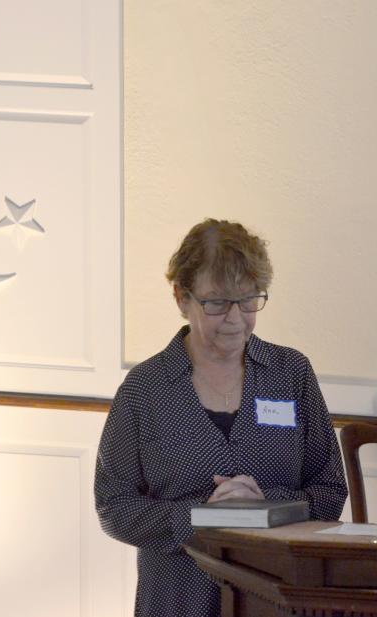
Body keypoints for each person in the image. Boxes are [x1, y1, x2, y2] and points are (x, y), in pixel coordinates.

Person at [95, 218, 348, 617]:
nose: (235, 318)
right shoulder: (144, 389)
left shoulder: (291, 373)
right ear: (181, 297)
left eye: (249, 300)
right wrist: (200, 516)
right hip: (177, 599)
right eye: (216, 302)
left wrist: (264, 505)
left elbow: (330, 491)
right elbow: (114, 507)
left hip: (276, 598)